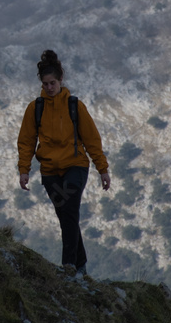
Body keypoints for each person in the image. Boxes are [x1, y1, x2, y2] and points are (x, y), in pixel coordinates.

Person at [17, 50, 110, 278]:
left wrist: (103, 169)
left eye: (53, 83)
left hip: (75, 166)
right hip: (49, 171)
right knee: (65, 216)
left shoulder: (75, 106)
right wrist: (24, 170)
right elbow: (26, 141)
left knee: (69, 210)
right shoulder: (35, 108)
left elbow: (92, 139)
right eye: (45, 84)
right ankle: (81, 265)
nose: (49, 87)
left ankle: (68, 267)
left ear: (61, 80)